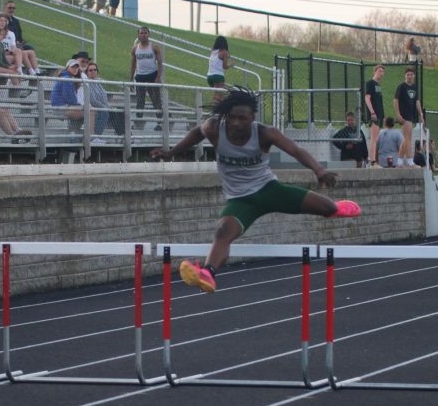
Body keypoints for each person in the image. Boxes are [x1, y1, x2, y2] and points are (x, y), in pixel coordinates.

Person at [150, 87, 361, 293]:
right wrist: (171, 153)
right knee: (223, 232)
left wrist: (319, 170)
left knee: (327, 208)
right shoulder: (215, 128)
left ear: (253, 117)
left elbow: (296, 150)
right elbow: (197, 133)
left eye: (242, 118)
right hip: (240, 200)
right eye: (232, 117)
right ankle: (208, 273)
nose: (236, 123)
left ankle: (335, 207)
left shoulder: (265, 133)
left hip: (268, 190)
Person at [51, 59, 96, 139]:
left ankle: (74, 135)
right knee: (90, 111)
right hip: (61, 108)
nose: (75, 69)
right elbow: (70, 98)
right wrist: (81, 105)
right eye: (73, 67)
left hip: (64, 107)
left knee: (86, 109)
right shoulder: (66, 78)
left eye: (76, 67)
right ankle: (91, 138)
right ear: (67, 67)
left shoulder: (68, 77)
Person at [130, 26, 163, 129]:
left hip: (152, 75)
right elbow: (133, 65)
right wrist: (130, 78)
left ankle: (160, 122)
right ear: (138, 35)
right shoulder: (135, 48)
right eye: (141, 33)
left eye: (145, 33)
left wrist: (158, 78)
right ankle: (139, 121)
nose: (143, 35)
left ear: (148, 35)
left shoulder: (154, 47)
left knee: (156, 99)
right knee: (140, 100)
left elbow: (160, 63)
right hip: (140, 76)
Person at [393, 67, 424, 168]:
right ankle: (410, 162)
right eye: (408, 74)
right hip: (404, 116)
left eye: (411, 74)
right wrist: (398, 114)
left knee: (406, 139)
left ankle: (399, 161)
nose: (410, 76)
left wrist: (420, 114)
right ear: (405, 76)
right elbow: (395, 101)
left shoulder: (414, 87)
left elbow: (417, 101)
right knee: (408, 139)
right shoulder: (401, 86)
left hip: (411, 116)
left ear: (414, 76)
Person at [85, 61, 124, 139]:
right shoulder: (87, 84)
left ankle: (123, 135)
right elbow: (92, 100)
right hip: (94, 109)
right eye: (90, 70)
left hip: (103, 107)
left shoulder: (98, 83)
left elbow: (104, 98)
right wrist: (105, 107)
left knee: (120, 111)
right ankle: (96, 137)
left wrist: (108, 107)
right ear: (87, 73)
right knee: (105, 112)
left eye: (95, 70)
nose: (93, 72)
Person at [364, 64, 385, 167]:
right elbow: (367, 98)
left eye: (383, 72)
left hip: (379, 115)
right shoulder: (370, 83)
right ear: (375, 71)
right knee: (373, 138)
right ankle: (371, 160)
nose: (382, 74)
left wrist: (382, 115)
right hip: (374, 114)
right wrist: (372, 112)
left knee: (376, 138)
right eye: (380, 71)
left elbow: (379, 102)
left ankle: (372, 159)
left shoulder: (378, 85)